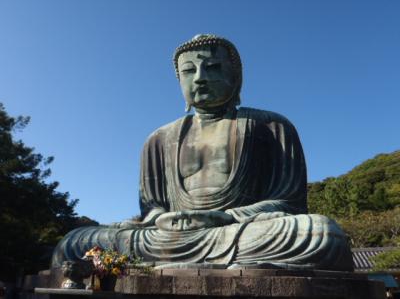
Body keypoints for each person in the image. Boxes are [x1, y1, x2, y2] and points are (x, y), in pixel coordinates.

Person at [52, 34, 353, 271]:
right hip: (171, 237)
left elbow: (289, 204)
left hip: (237, 230)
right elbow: (153, 208)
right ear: (179, 80)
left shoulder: (270, 126)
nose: (199, 77)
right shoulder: (158, 139)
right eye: (189, 71)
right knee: (75, 243)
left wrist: (224, 216)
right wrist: (161, 219)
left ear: (235, 77)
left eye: (212, 67)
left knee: (322, 234)